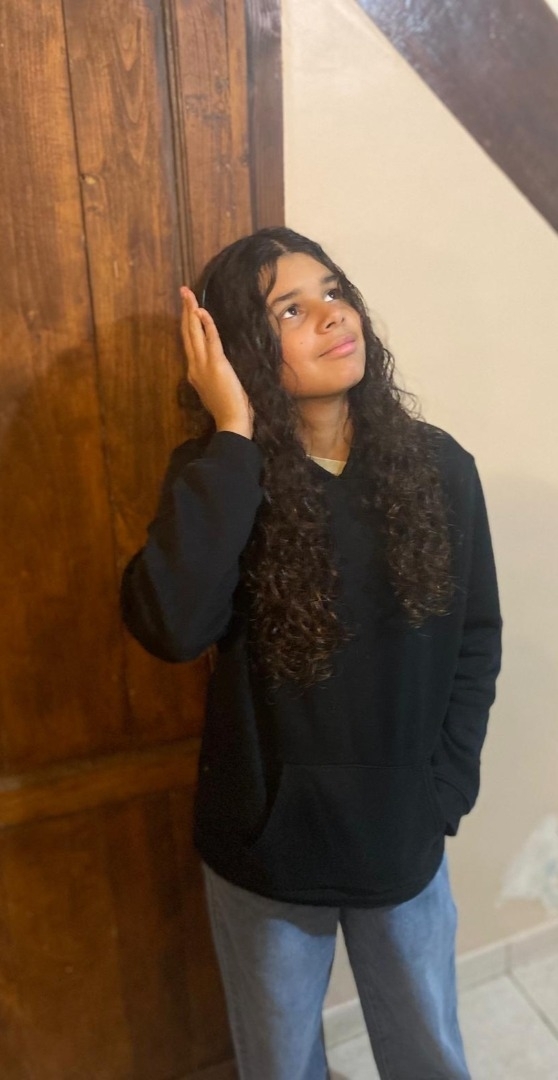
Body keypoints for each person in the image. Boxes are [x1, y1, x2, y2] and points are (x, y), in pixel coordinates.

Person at [121, 227, 502, 1080]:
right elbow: (173, 627)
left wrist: (444, 789)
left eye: (334, 292)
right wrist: (232, 431)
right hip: (267, 849)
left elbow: (476, 638)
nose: (333, 316)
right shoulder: (219, 474)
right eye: (290, 310)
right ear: (242, 350)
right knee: (281, 1064)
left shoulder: (438, 468)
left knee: (429, 1055)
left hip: (402, 832)